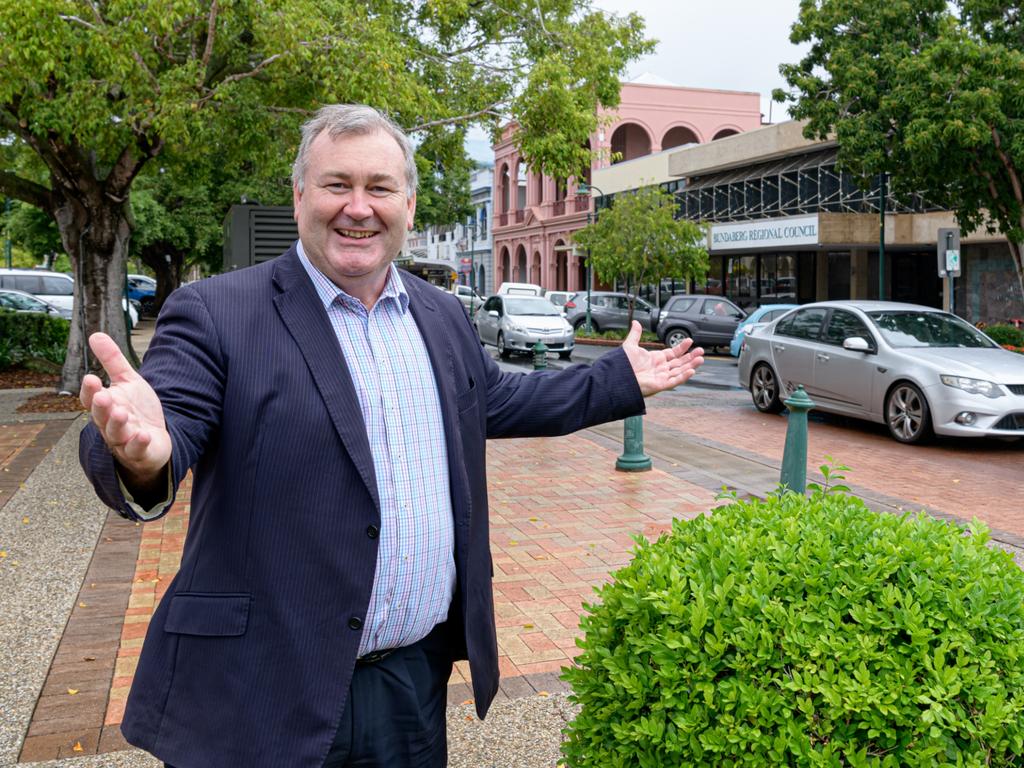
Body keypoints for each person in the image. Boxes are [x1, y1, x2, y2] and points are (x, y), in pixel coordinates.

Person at [79, 104, 705, 768]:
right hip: (259, 688)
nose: (359, 207)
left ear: (407, 203)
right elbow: (162, 424)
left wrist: (619, 381)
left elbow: (500, 399)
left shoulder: (439, 314)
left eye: (379, 188)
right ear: (298, 197)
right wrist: (143, 454)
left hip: (410, 684)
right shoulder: (219, 313)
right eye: (336, 185)